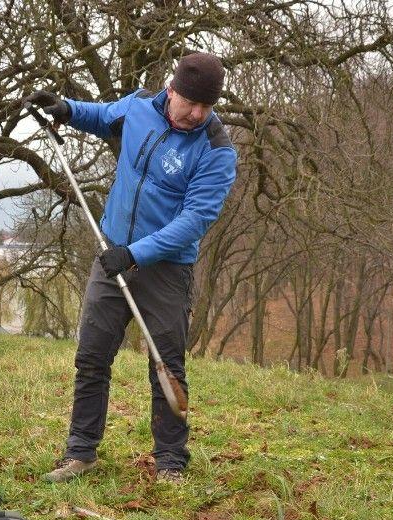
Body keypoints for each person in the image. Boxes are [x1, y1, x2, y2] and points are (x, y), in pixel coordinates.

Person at [26, 52, 237, 484]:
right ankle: (80, 452)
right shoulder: (139, 106)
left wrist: (137, 253)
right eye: (190, 103)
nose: (197, 114)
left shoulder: (215, 150)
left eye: (206, 107)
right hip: (112, 253)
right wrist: (65, 109)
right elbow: (103, 117)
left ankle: (170, 462)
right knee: (92, 357)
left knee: (167, 364)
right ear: (172, 89)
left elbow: (194, 221)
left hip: (165, 269)